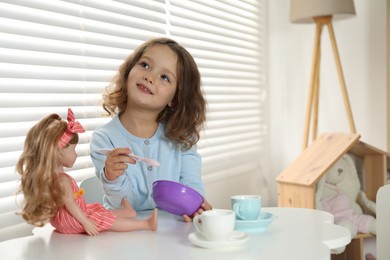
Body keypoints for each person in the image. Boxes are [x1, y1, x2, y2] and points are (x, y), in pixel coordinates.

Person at [90, 37, 212, 222]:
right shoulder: (104, 140)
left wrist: (195, 207)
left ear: (175, 98)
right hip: (124, 234)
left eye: (165, 77)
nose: (149, 77)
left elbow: (191, 184)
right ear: (129, 70)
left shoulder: (180, 138)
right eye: (145, 65)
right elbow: (124, 204)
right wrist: (111, 177)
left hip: (170, 233)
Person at [16, 108, 158, 236]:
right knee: (103, 220)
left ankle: (127, 213)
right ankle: (145, 224)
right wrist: (86, 223)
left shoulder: (55, 177)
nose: (76, 155)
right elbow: (70, 204)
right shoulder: (62, 180)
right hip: (69, 221)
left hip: (64, 220)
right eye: (73, 149)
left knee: (97, 210)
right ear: (59, 152)